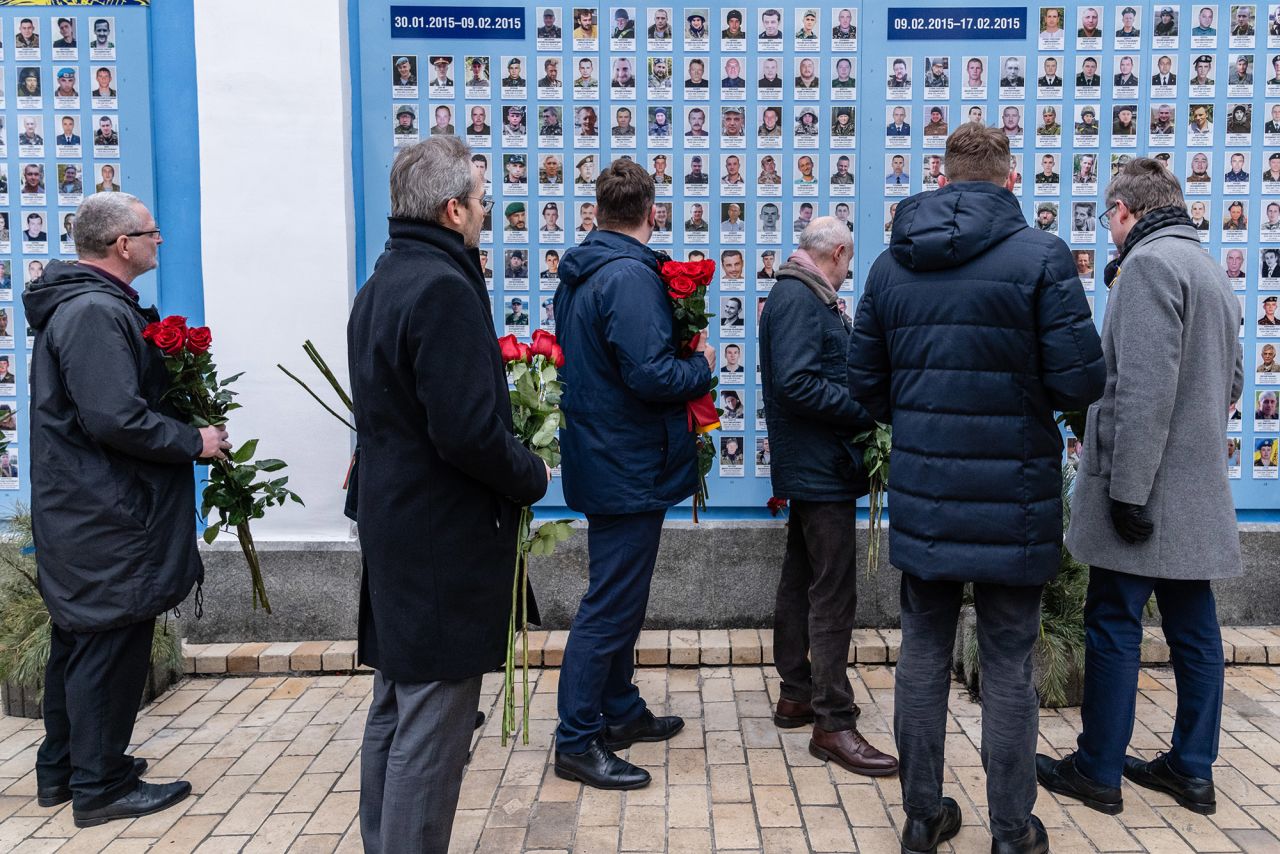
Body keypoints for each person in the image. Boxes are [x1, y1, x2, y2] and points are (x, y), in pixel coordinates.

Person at [848, 122, 1105, 854]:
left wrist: (924, 415)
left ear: (943, 175)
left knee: (922, 654)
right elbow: (1081, 380)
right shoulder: (1042, 256)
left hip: (927, 492)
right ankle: (1012, 830)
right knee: (1009, 664)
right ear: (1008, 178)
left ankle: (922, 819)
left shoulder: (891, 266)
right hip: (1014, 499)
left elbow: (864, 386)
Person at [348, 137, 550, 851]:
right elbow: (464, 431)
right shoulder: (440, 287)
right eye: (484, 201)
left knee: (397, 709)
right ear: (452, 207)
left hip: (398, 525)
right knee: (431, 728)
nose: (487, 213)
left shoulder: (385, 281)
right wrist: (530, 473)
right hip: (439, 538)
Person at [1039, 157, 1244, 821]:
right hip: (1193, 491)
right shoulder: (1209, 266)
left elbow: (1142, 392)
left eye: (1108, 219)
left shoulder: (1148, 266)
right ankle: (1191, 769)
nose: (1109, 232)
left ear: (1125, 211)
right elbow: (1232, 384)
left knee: (1113, 625)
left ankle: (1098, 770)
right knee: (1195, 634)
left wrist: (1128, 490)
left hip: (1145, 493)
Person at [25, 193, 224, 828]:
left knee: (82, 642)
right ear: (121, 245)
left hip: (92, 507)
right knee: (108, 644)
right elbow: (114, 417)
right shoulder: (91, 312)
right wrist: (195, 441)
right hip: (106, 513)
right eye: (152, 233)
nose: (158, 242)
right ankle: (101, 784)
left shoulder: (90, 306)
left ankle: (65, 770)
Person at [552, 159, 716, 789]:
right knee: (610, 604)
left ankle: (619, 712)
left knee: (622, 597)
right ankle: (576, 739)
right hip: (627, 461)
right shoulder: (628, 276)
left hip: (605, 454)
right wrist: (700, 366)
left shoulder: (584, 272)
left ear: (598, 210)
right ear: (653, 211)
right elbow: (649, 376)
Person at [759, 217, 898, 778]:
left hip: (817, 465)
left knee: (802, 578)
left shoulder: (799, 291)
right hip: (820, 467)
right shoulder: (800, 296)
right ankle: (832, 723)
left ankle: (798, 694)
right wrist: (864, 413)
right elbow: (796, 382)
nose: (847, 275)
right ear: (837, 253)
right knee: (833, 591)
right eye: (847, 263)